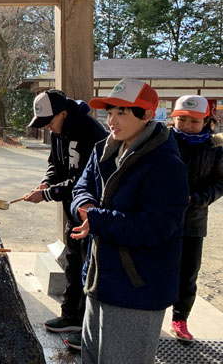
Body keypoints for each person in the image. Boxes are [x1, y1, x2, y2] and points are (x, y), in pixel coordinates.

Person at [70, 78, 188, 363]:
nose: (112, 120)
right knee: (93, 357)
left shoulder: (165, 163)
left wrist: (97, 219)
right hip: (100, 278)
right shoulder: (104, 149)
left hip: (137, 289)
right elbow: (82, 186)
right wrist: (83, 205)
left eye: (122, 112)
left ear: (147, 115)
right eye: (110, 112)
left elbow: (157, 227)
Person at [24, 89, 108, 350]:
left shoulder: (91, 132)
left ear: (63, 113)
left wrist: (48, 194)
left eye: (49, 121)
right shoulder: (58, 131)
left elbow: (84, 181)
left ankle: (88, 328)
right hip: (73, 212)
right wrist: (47, 181)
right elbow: (54, 163)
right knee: (73, 264)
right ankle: (70, 316)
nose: (47, 128)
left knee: (89, 271)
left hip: (92, 214)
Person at [169, 95, 223, 341]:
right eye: (182, 119)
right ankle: (149, 314)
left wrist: (198, 198)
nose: (187, 125)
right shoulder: (163, 140)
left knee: (188, 272)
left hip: (193, 221)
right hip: (160, 218)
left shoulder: (215, 147)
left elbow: (220, 182)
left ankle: (180, 318)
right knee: (154, 267)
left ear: (207, 121)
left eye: (194, 121)